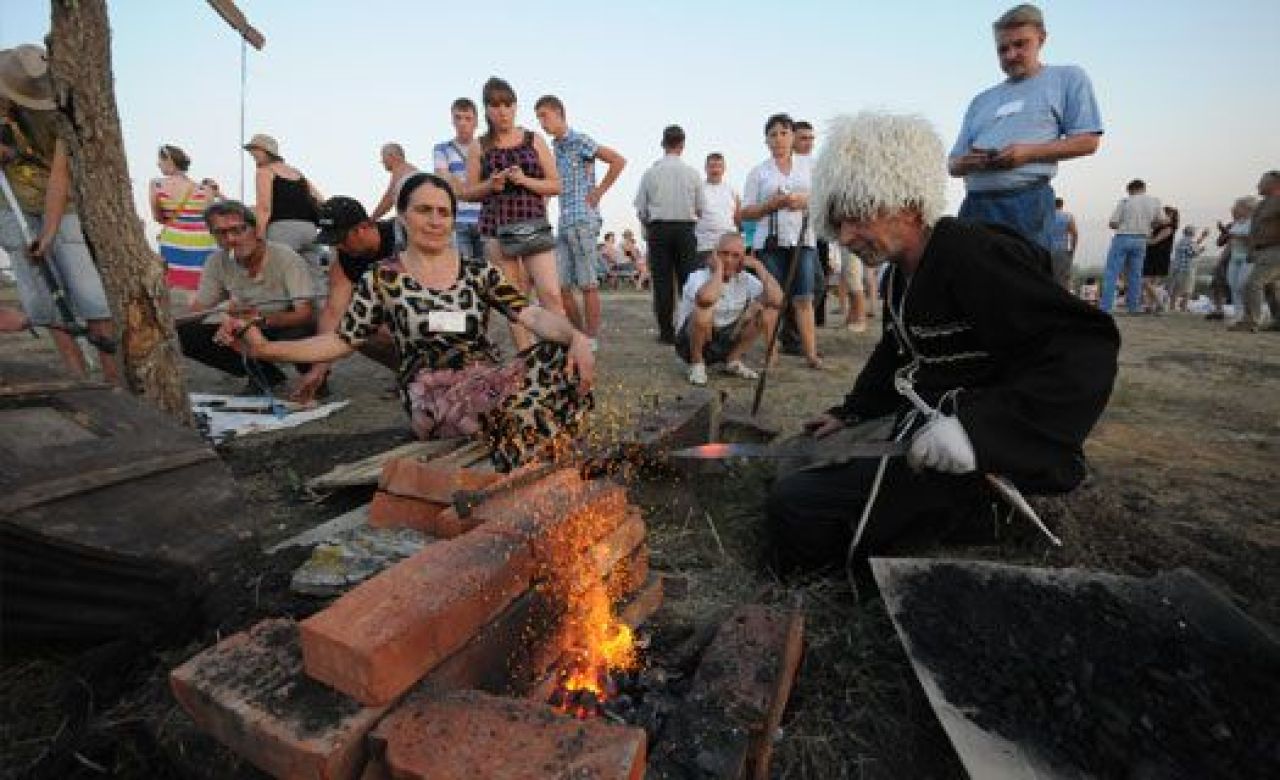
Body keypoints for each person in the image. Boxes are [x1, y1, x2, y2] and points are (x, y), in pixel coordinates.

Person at [767, 111, 1118, 571]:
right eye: (838, 224)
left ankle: (978, 524)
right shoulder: (898, 276)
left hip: (987, 455)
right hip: (929, 430)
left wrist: (979, 434)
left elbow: (1083, 347)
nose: (846, 237)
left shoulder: (972, 253)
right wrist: (850, 413)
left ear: (907, 203)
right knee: (796, 459)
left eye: (855, 218)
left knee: (797, 505)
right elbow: (896, 352)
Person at [216, 173, 594, 472]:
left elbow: (531, 315)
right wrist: (266, 348)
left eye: (443, 212)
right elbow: (341, 340)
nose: (434, 221)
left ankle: (542, 456)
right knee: (515, 407)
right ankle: (532, 466)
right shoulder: (382, 277)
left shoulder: (480, 272)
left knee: (561, 358)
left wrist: (575, 337)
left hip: (487, 378)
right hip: (433, 394)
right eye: (423, 210)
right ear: (402, 217)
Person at [0, 43, 119, 383]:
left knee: (90, 296)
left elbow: (60, 177)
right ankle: (77, 378)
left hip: (62, 206)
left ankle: (113, 382)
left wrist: (50, 232)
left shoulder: (64, 113)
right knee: (45, 299)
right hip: (11, 207)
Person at [949, 4, 1103, 250]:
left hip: (1026, 202)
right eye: (1003, 49)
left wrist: (1028, 153)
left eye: (1020, 44)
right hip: (974, 204)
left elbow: (1088, 140)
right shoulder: (981, 100)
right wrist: (966, 163)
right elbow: (952, 164)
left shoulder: (1068, 78)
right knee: (970, 285)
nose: (1010, 55)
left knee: (1021, 283)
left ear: (1041, 39)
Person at [462, 77, 562, 353]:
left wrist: (525, 180)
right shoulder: (478, 146)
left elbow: (556, 184)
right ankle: (528, 361)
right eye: (495, 105)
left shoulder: (534, 139)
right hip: (497, 229)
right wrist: (490, 185)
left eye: (508, 104)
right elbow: (467, 192)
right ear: (487, 110)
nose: (503, 111)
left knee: (551, 295)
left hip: (533, 225)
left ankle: (562, 356)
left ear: (516, 106)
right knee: (514, 301)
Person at [177, 200, 316, 394]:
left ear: (256, 230)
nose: (231, 239)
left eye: (238, 230)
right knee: (184, 333)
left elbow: (305, 313)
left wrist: (259, 321)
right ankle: (266, 376)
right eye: (221, 233)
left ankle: (315, 378)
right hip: (246, 327)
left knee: (302, 329)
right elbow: (200, 309)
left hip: (281, 324)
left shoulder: (285, 257)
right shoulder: (217, 261)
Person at [534, 94, 627, 351]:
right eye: (538, 117)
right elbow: (552, 186)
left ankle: (591, 337)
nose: (541, 122)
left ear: (559, 113)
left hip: (583, 219)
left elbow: (618, 160)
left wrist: (599, 191)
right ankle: (578, 334)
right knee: (561, 286)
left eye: (545, 115)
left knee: (587, 283)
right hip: (563, 221)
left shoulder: (579, 140)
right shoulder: (554, 148)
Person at [291, 195, 401, 403]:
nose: (337, 247)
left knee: (388, 323)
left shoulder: (401, 237)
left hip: (443, 314)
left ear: (362, 227)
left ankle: (437, 370)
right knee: (352, 325)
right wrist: (318, 370)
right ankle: (409, 373)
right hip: (402, 317)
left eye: (340, 239)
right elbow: (334, 311)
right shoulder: (344, 259)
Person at [740, 113, 822, 369]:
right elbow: (745, 212)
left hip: (802, 239)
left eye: (783, 133)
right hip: (770, 242)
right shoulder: (758, 172)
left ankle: (811, 354)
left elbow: (822, 198)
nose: (778, 139)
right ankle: (771, 351)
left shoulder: (810, 168)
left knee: (804, 298)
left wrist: (804, 201)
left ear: (792, 136)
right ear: (766, 140)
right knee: (773, 299)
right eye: (773, 134)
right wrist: (769, 205)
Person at [676, 232, 782, 386]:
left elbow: (777, 300)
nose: (728, 260)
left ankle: (733, 361)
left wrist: (759, 267)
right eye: (724, 254)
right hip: (691, 342)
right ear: (715, 254)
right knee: (703, 310)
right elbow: (706, 299)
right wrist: (718, 270)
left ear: (743, 258)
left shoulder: (746, 279)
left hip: (726, 340)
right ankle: (696, 364)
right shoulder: (698, 276)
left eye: (736, 256)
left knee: (767, 310)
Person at [633, 125, 704, 343]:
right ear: (682, 145)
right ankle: (690, 329)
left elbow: (641, 209)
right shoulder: (693, 174)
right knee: (689, 282)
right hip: (685, 229)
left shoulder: (650, 173)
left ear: (663, 144)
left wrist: (650, 225)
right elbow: (700, 208)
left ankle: (666, 333)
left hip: (660, 229)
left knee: (663, 283)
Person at [244, 133, 326, 285]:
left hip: (283, 231)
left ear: (266, 151)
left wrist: (259, 238)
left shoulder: (265, 172)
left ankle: (282, 309)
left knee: (276, 279)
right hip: (310, 231)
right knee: (315, 280)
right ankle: (320, 308)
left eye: (255, 151)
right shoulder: (297, 173)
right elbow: (321, 200)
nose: (252, 155)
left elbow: (264, 208)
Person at [150, 144, 219, 292]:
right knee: (201, 286)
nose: (158, 164)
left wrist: (177, 223)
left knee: (176, 287)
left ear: (169, 160)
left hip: (174, 241)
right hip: (203, 243)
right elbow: (211, 219)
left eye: (160, 160)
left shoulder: (156, 185)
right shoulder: (204, 190)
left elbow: (157, 217)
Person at [1100, 179, 1165, 314]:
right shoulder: (1155, 201)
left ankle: (1105, 306)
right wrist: (1150, 226)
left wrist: (1125, 225)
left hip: (1123, 237)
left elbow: (1112, 223)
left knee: (1112, 273)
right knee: (1135, 275)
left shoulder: (1125, 202)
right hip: (1141, 239)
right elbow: (1163, 220)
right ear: (1143, 188)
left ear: (1130, 189)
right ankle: (1133, 307)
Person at [432, 98, 485, 260]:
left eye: (467, 118)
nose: (462, 123)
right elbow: (442, 178)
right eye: (458, 117)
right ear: (452, 120)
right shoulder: (442, 148)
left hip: (486, 220)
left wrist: (458, 185)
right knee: (463, 274)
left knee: (489, 274)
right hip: (457, 220)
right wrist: (475, 188)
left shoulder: (488, 147)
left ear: (476, 121)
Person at [1229, 170, 1280, 332]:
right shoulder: (1264, 203)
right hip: (1262, 251)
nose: (1258, 185)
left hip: (1275, 250)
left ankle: (1251, 320)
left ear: (1274, 184)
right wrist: (1252, 250)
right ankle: (1277, 320)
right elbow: (1256, 230)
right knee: (1270, 287)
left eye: (1262, 181)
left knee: (1253, 283)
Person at [693, 152, 741, 267]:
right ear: (706, 168)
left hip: (728, 248)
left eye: (719, 166)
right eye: (712, 166)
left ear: (724, 169)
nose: (715, 170)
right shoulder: (698, 190)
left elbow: (738, 218)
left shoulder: (732, 191)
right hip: (705, 246)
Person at [1221, 196, 1257, 327]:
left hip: (1249, 258)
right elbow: (1230, 242)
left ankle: (1250, 314)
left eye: (1237, 206)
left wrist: (1238, 237)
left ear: (1247, 208)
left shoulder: (1254, 222)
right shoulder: (1237, 222)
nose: (1234, 208)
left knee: (1243, 285)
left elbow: (1255, 239)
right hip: (1235, 258)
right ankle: (1238, 314)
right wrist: (1223, 257)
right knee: (1233, 285)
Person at [368, 143, 419, 222]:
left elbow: (388, 199)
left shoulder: (400, 170)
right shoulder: (411, 169)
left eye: (383, 158)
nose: (382, 162)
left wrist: (371, 219)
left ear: (391, 156)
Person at [1143, 205, 1178, 313]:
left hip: (1159, 256)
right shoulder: (1158, 227)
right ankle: (1150, 306)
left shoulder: (1168, 228)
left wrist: (1141, 239)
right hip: (1152, 255)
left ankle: (1160, 304)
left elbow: (1154, 241)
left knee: (1146, 282)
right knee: (1151, 283)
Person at [1167, 225, 1207, 313]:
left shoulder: (1180, 241)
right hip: (1187, 270)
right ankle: (1183, 308)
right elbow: (1192, 253)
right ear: (1192, 233)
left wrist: (1202, 237)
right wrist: (1201, 250)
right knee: (1188, 290)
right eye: (1194, 232)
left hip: (1177, 269)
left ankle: (1172, 307)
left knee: (1176, 289)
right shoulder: (1190, 242)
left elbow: (1193, 247)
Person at [1047, 197, 1077, 288]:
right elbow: (1074, 234)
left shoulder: (1047, 216)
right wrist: (1072, 249)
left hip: (1047, 250)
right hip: (1062, 250)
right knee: (1063, 279)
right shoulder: (1068, 216)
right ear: (1062, 205)